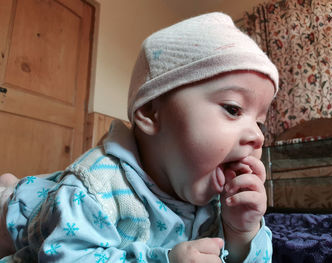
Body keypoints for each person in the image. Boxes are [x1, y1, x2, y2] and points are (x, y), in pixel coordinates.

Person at [0, 12, 278, 263]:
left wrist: (241, 232)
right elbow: (67, 256)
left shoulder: (217, 196)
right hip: (24, 216)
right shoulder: (94, 185)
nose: (257, 136)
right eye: (233, 109)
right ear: (150, 113)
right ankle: (9, 190)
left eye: (260, 123)